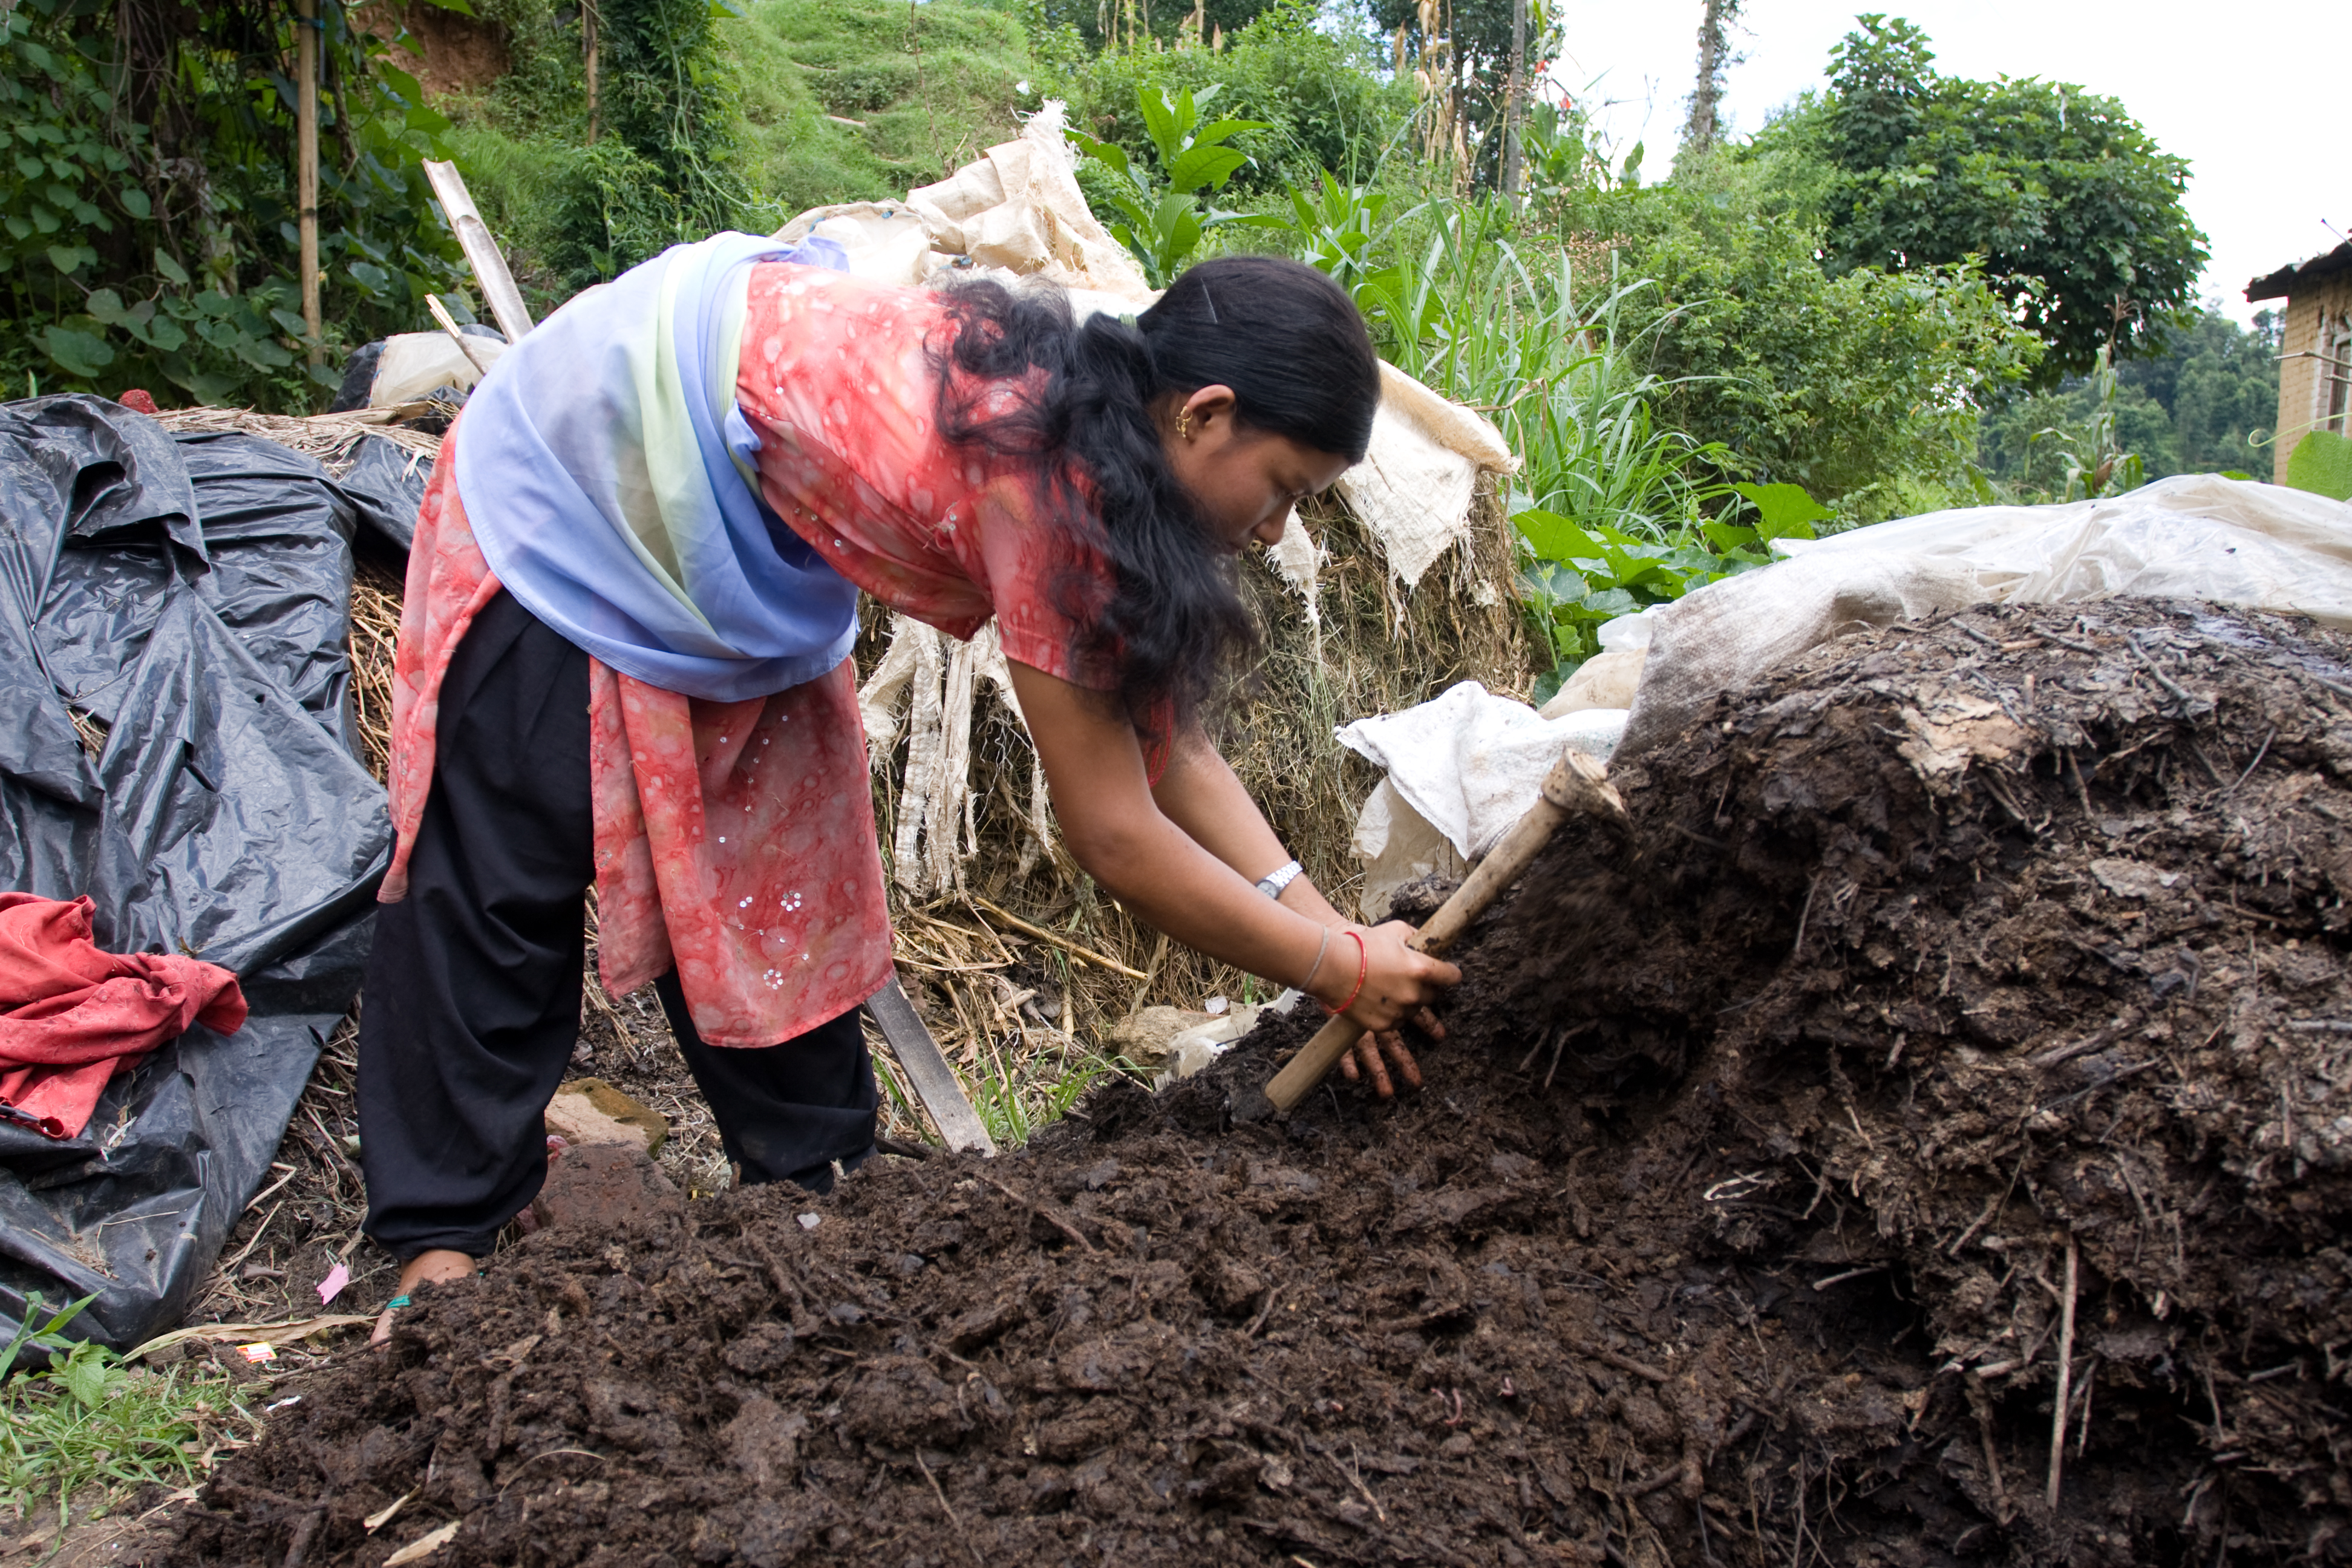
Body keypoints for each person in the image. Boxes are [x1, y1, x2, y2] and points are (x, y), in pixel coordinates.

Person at [356, 235, 1461, 1336]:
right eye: (1283, 489)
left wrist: (1339, 954)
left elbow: (1175, 754)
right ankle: (442, 1239)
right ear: (1206, 414)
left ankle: (817, 1184)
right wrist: (1335, 964)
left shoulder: (1120, 459)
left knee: (782, 870)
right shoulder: (1048, 491)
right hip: (590, 458)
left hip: (739, 533)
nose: (1277, 531)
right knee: (505, 869)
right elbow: (1117, 833)